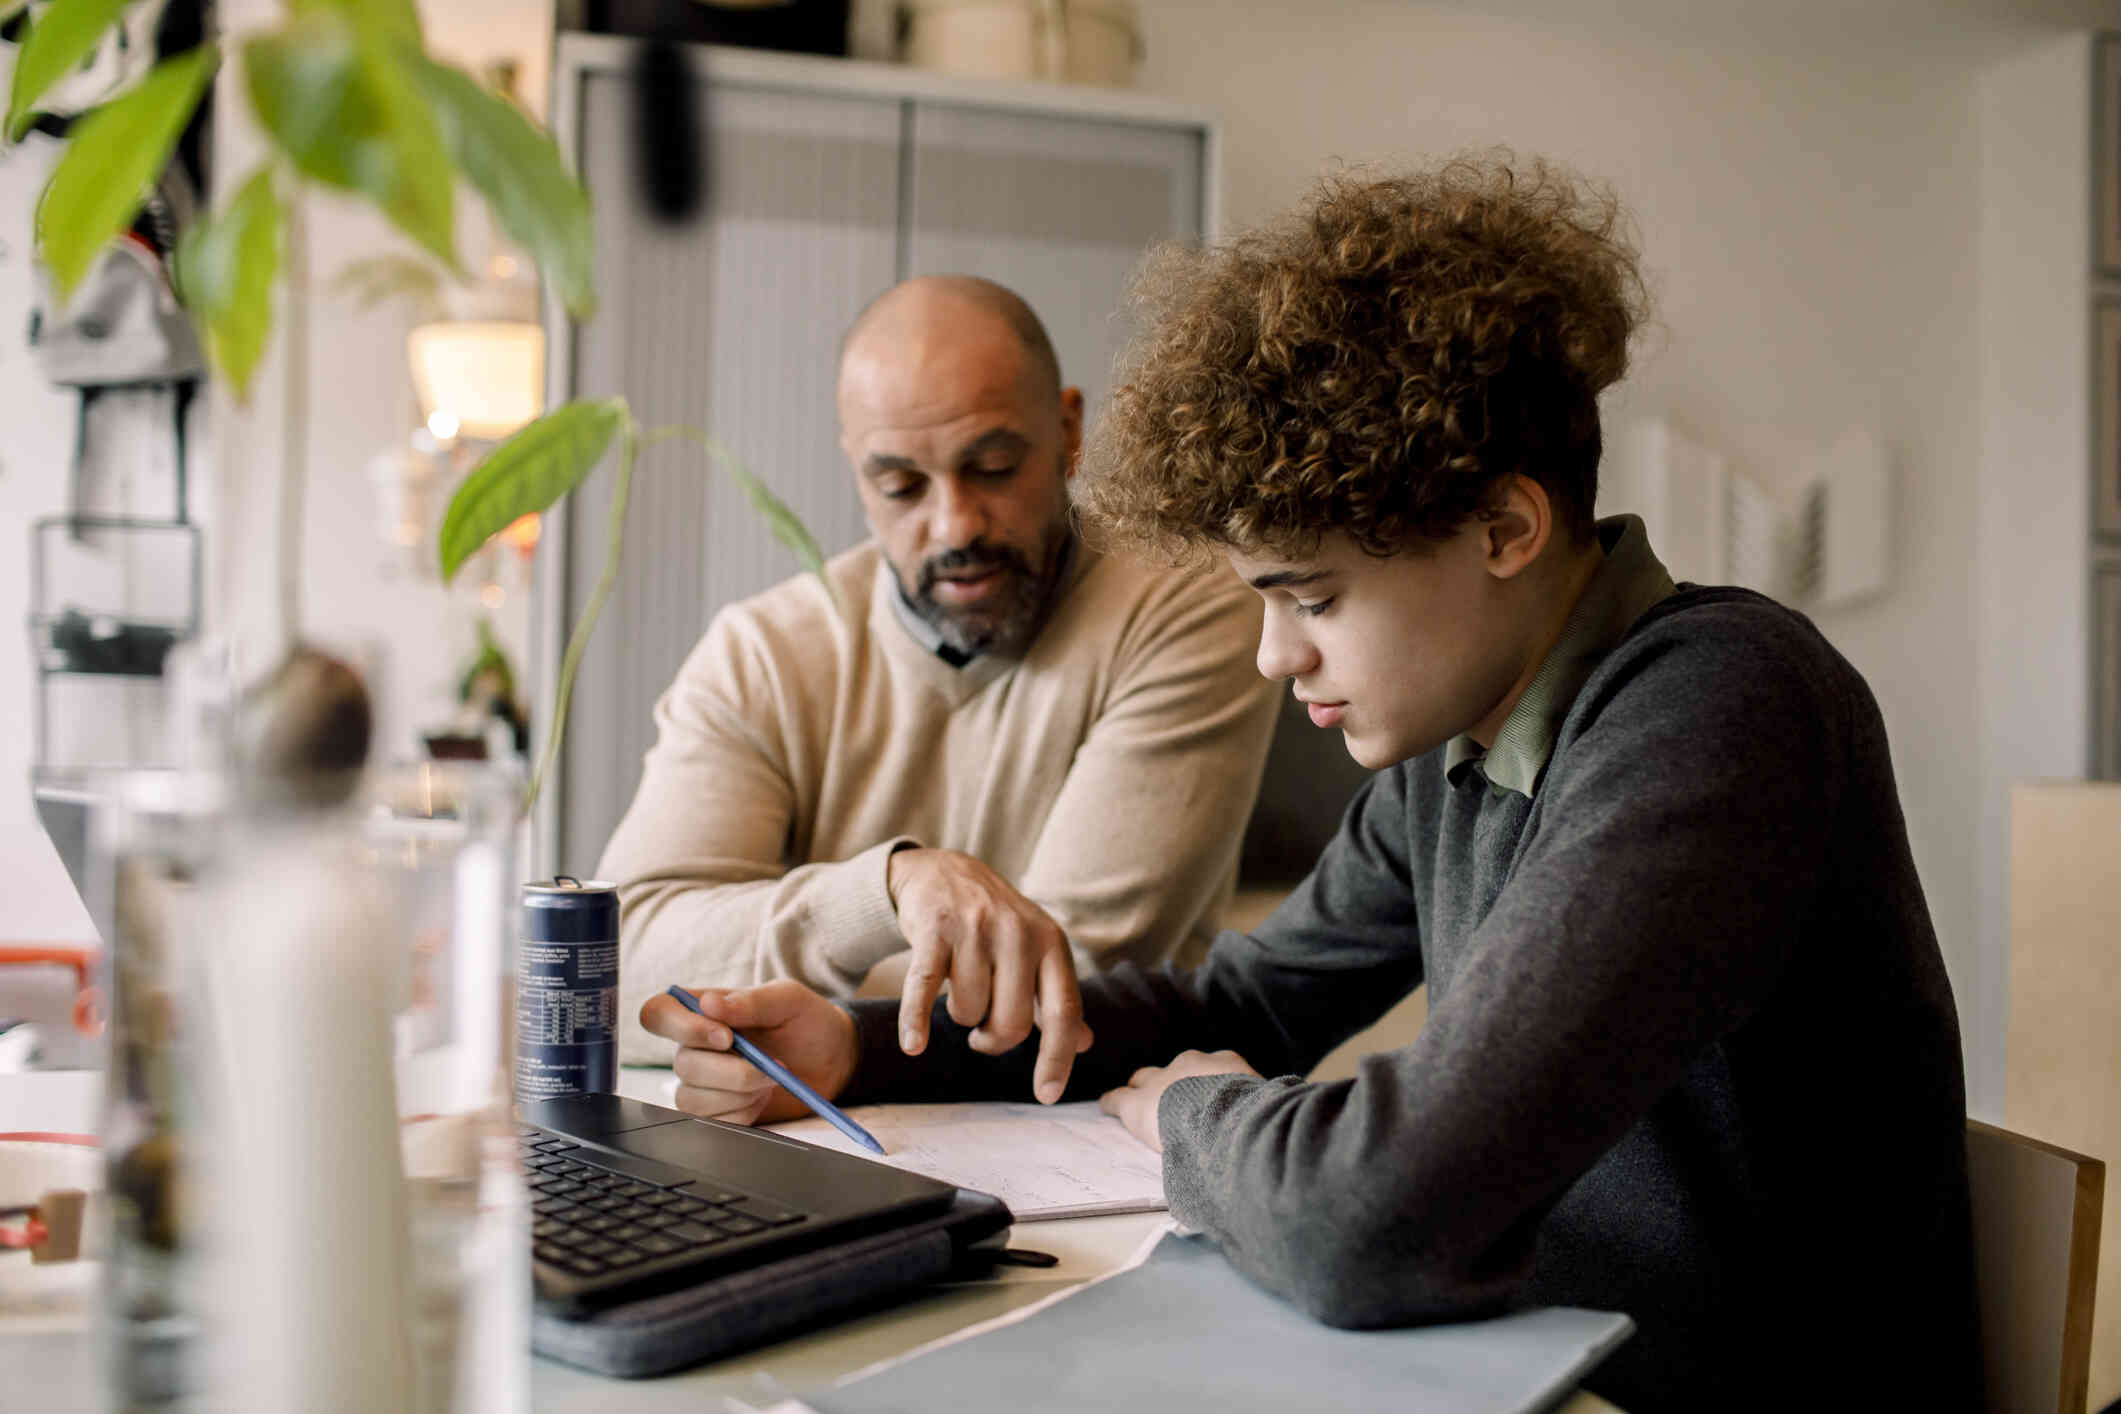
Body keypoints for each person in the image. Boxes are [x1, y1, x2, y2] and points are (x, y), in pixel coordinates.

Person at [637, 157, 1979, 1411]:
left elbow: (1375, 1214)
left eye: (1312, 598)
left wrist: (1195, 1121)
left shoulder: (1719, 708)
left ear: (1505, 526)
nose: (1278, 656)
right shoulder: (1457, 747)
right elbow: (1244, 1003)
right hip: (1530, 1366)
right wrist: (854, 1043)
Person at [602, 275, 1281, 1075]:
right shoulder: (760, 654)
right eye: (901, 487)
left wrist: (780, 1003)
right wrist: (883, 893)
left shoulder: (1184, 604)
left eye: (992, 466)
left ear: (1068, 431)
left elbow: (1071, 980)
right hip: (806, 1136)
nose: (955, 523)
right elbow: (612, 972)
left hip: (1086, 1138)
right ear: (857, 471)